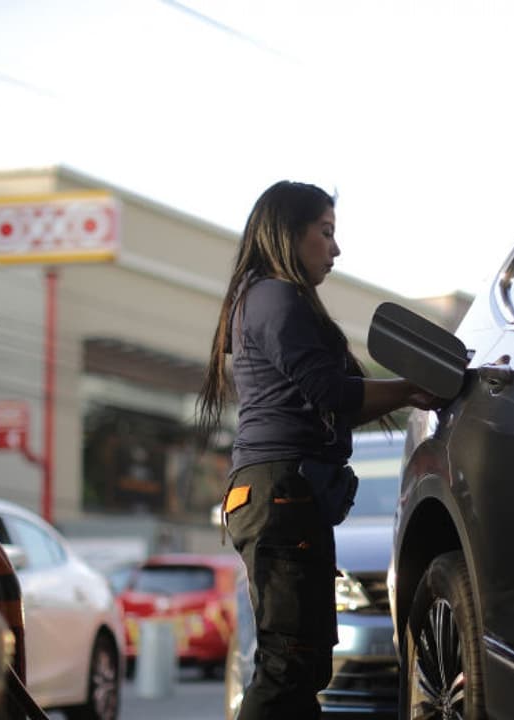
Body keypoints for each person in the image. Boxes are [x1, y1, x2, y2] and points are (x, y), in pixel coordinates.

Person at [197, 180, 439, 718]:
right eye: (325, 233)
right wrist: (406, 387)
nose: (335, 249)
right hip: (280, 494)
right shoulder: (275, 296)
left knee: (302, 669)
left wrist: (402, 390)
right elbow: (332, 394)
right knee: (289, 666)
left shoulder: (260, 298)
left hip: (277, 495)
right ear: (290, 232)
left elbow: (332, 400)